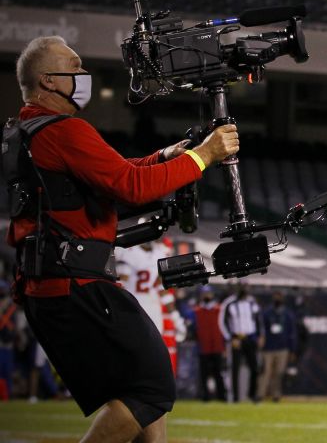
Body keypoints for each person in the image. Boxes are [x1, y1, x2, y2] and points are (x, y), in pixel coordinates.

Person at [2, 35, 238, 442]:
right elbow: (129, 187)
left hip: (53, 284)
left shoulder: (28, 129)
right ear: (47, 81)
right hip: (76, 284)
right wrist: (204, 156)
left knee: (142, 387)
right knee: (151, 388)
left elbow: (111, 175)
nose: (83, 74)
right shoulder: (64, 130)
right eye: (74, 67)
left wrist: (164, 158)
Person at [115, 238, 187, 373]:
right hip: (136, 307)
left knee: (148, 351)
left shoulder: (152, 253)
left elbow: (162, 290)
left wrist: (176, 319)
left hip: (141, 306)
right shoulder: (135, 253)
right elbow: (121, 285)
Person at [220, 284, 262, 404]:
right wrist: (230, 337)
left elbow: (258, 320)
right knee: (235, 368)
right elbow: (223, 322)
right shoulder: (230, 303)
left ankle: (252, 394)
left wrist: (260, 335)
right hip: (237, 338)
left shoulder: (252, 303)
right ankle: (235, 397)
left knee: (254, 367)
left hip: (250, 337)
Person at [258, 290, 296, 403]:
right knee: (265, 372)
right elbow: (261, 329)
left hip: (282, 348)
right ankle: (260, 394)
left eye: (279, 297)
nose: (277, 299)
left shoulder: (288, 314)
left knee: (279, 373)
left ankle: (276, 395)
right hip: (268, 348)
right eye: (276, 296)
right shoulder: (266, 313)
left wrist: (292, 349)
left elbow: (292, 333)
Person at [192, 286, 227, 403]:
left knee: (218, 373)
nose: (207, 296)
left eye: (209, 294)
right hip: (203, 346)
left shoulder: (219, 310)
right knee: (204, 374)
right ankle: (205, 396)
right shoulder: (196, 311)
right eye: (205, 294)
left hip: (217, 346)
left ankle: (221, 396)